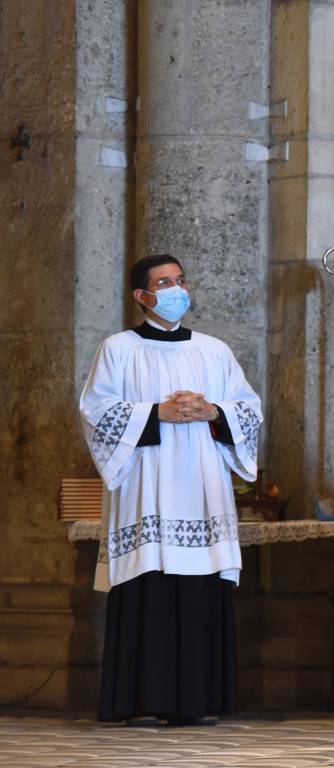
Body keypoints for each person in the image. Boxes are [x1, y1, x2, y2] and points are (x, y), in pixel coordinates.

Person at [80, 254, 262, 725]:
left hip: (202, 487)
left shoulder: (214, 351)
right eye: (164, 283)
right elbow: (97, 413)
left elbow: (249, 408)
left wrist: (213, 412)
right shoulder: (118, 349)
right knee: (149, 585)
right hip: (145, 485)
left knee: (199, 589)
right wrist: (156, 413)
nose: (176, 289)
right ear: (142, 296)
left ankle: (199, 701)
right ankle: (144, 700)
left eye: (180, 280)